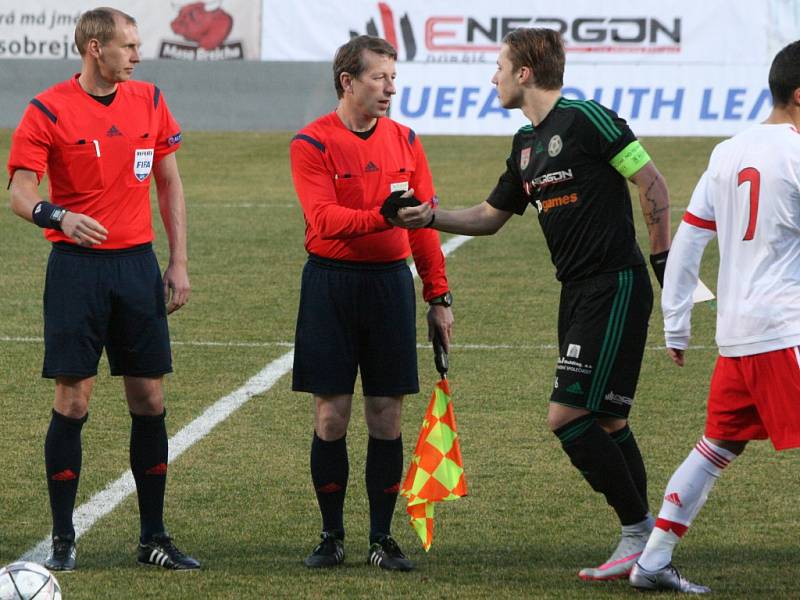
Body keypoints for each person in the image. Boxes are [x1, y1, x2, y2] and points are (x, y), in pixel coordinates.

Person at [391, 27, 671, 581]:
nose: (491, 76)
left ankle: (638, 533)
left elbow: (652, 183)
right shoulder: (524, 145)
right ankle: (650, 545)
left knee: (566, 416)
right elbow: (488, 218)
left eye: (498, 65)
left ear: (524, 73)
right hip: (575, 291)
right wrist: (429, 216)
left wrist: (665, 267)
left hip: (614, 285)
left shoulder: (588, 119)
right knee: (609, 419)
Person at [7, 8, 198, 571]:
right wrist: (57, 216)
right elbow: (20, 193)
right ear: (95, 48)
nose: (138, 55)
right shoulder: (46, 110)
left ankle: (154, 537)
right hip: (76, 270)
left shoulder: (151, 101)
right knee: (73, 400)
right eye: (129, 46)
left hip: (137, 269)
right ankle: (63, 538)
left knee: (150, 399)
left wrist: (178, 261)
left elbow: (169, 182)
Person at [629, 40, 800, 594]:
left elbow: (685, 245)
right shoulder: (796, 154)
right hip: (784, 330)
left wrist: (677, 323)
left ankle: (652, 560)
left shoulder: (726, 152)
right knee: (715, 447)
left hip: (738, 338)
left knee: (715, 447)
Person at [289, 35, 454, 572]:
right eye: (380, 78)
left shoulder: (406, 139)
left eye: (393, 78)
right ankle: (331, 534)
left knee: (386, 416)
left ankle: (382, 538)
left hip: (388, 287)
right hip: (330, 286)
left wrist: (438, 295)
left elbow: (424, 225)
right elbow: (323, 221)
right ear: (347, 82)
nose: (390, 88)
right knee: (331, 415)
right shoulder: (311, 143)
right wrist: (384, 217)